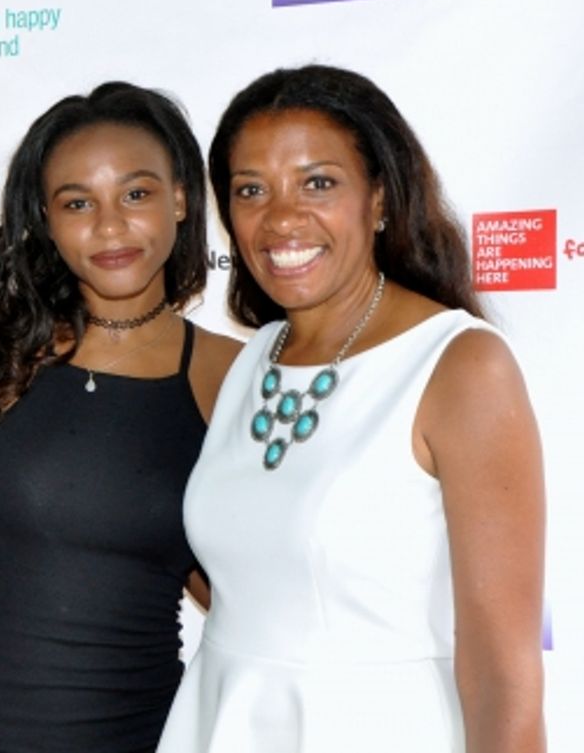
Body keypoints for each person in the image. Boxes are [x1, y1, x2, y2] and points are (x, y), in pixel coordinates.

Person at [156, 65, 545, 753]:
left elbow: (503, 676)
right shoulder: (257, 355)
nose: (281, 217)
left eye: (318, 182)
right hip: (221, 722)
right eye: (251, 189)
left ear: (380, 199)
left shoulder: (461, 366)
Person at [0, 82, 241, 752]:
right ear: (45, 217)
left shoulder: (233, 374)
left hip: (138, 732)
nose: (109, 225)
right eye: (77, 202)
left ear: (181, 197)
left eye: (136, 193)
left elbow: (239, 587)